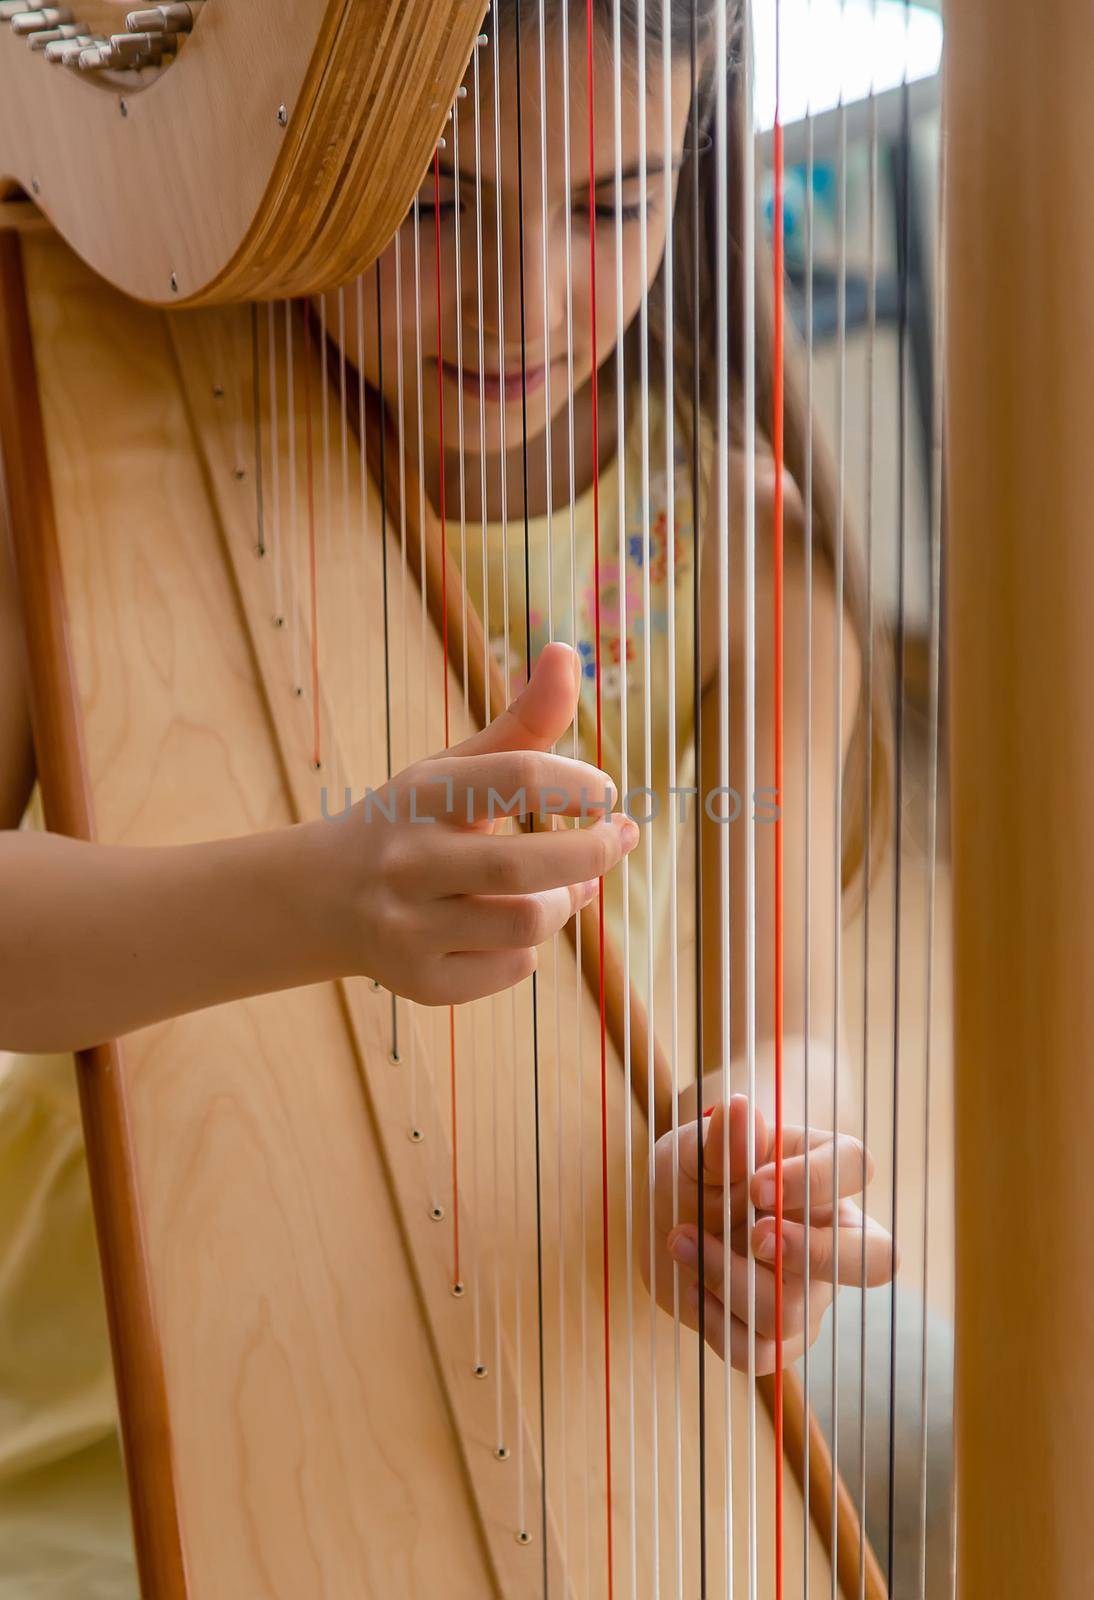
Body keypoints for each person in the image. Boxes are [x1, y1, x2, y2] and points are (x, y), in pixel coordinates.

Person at [0, 1, 896, 1591]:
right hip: (85, 1401)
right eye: (431, 201)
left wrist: (759, 1135)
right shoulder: (84, 440)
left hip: (552, 1323)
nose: (524, 300)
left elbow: (792, 1017)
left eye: (612, 203)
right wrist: (309, 899)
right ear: (300, 165)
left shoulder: (745, 556)